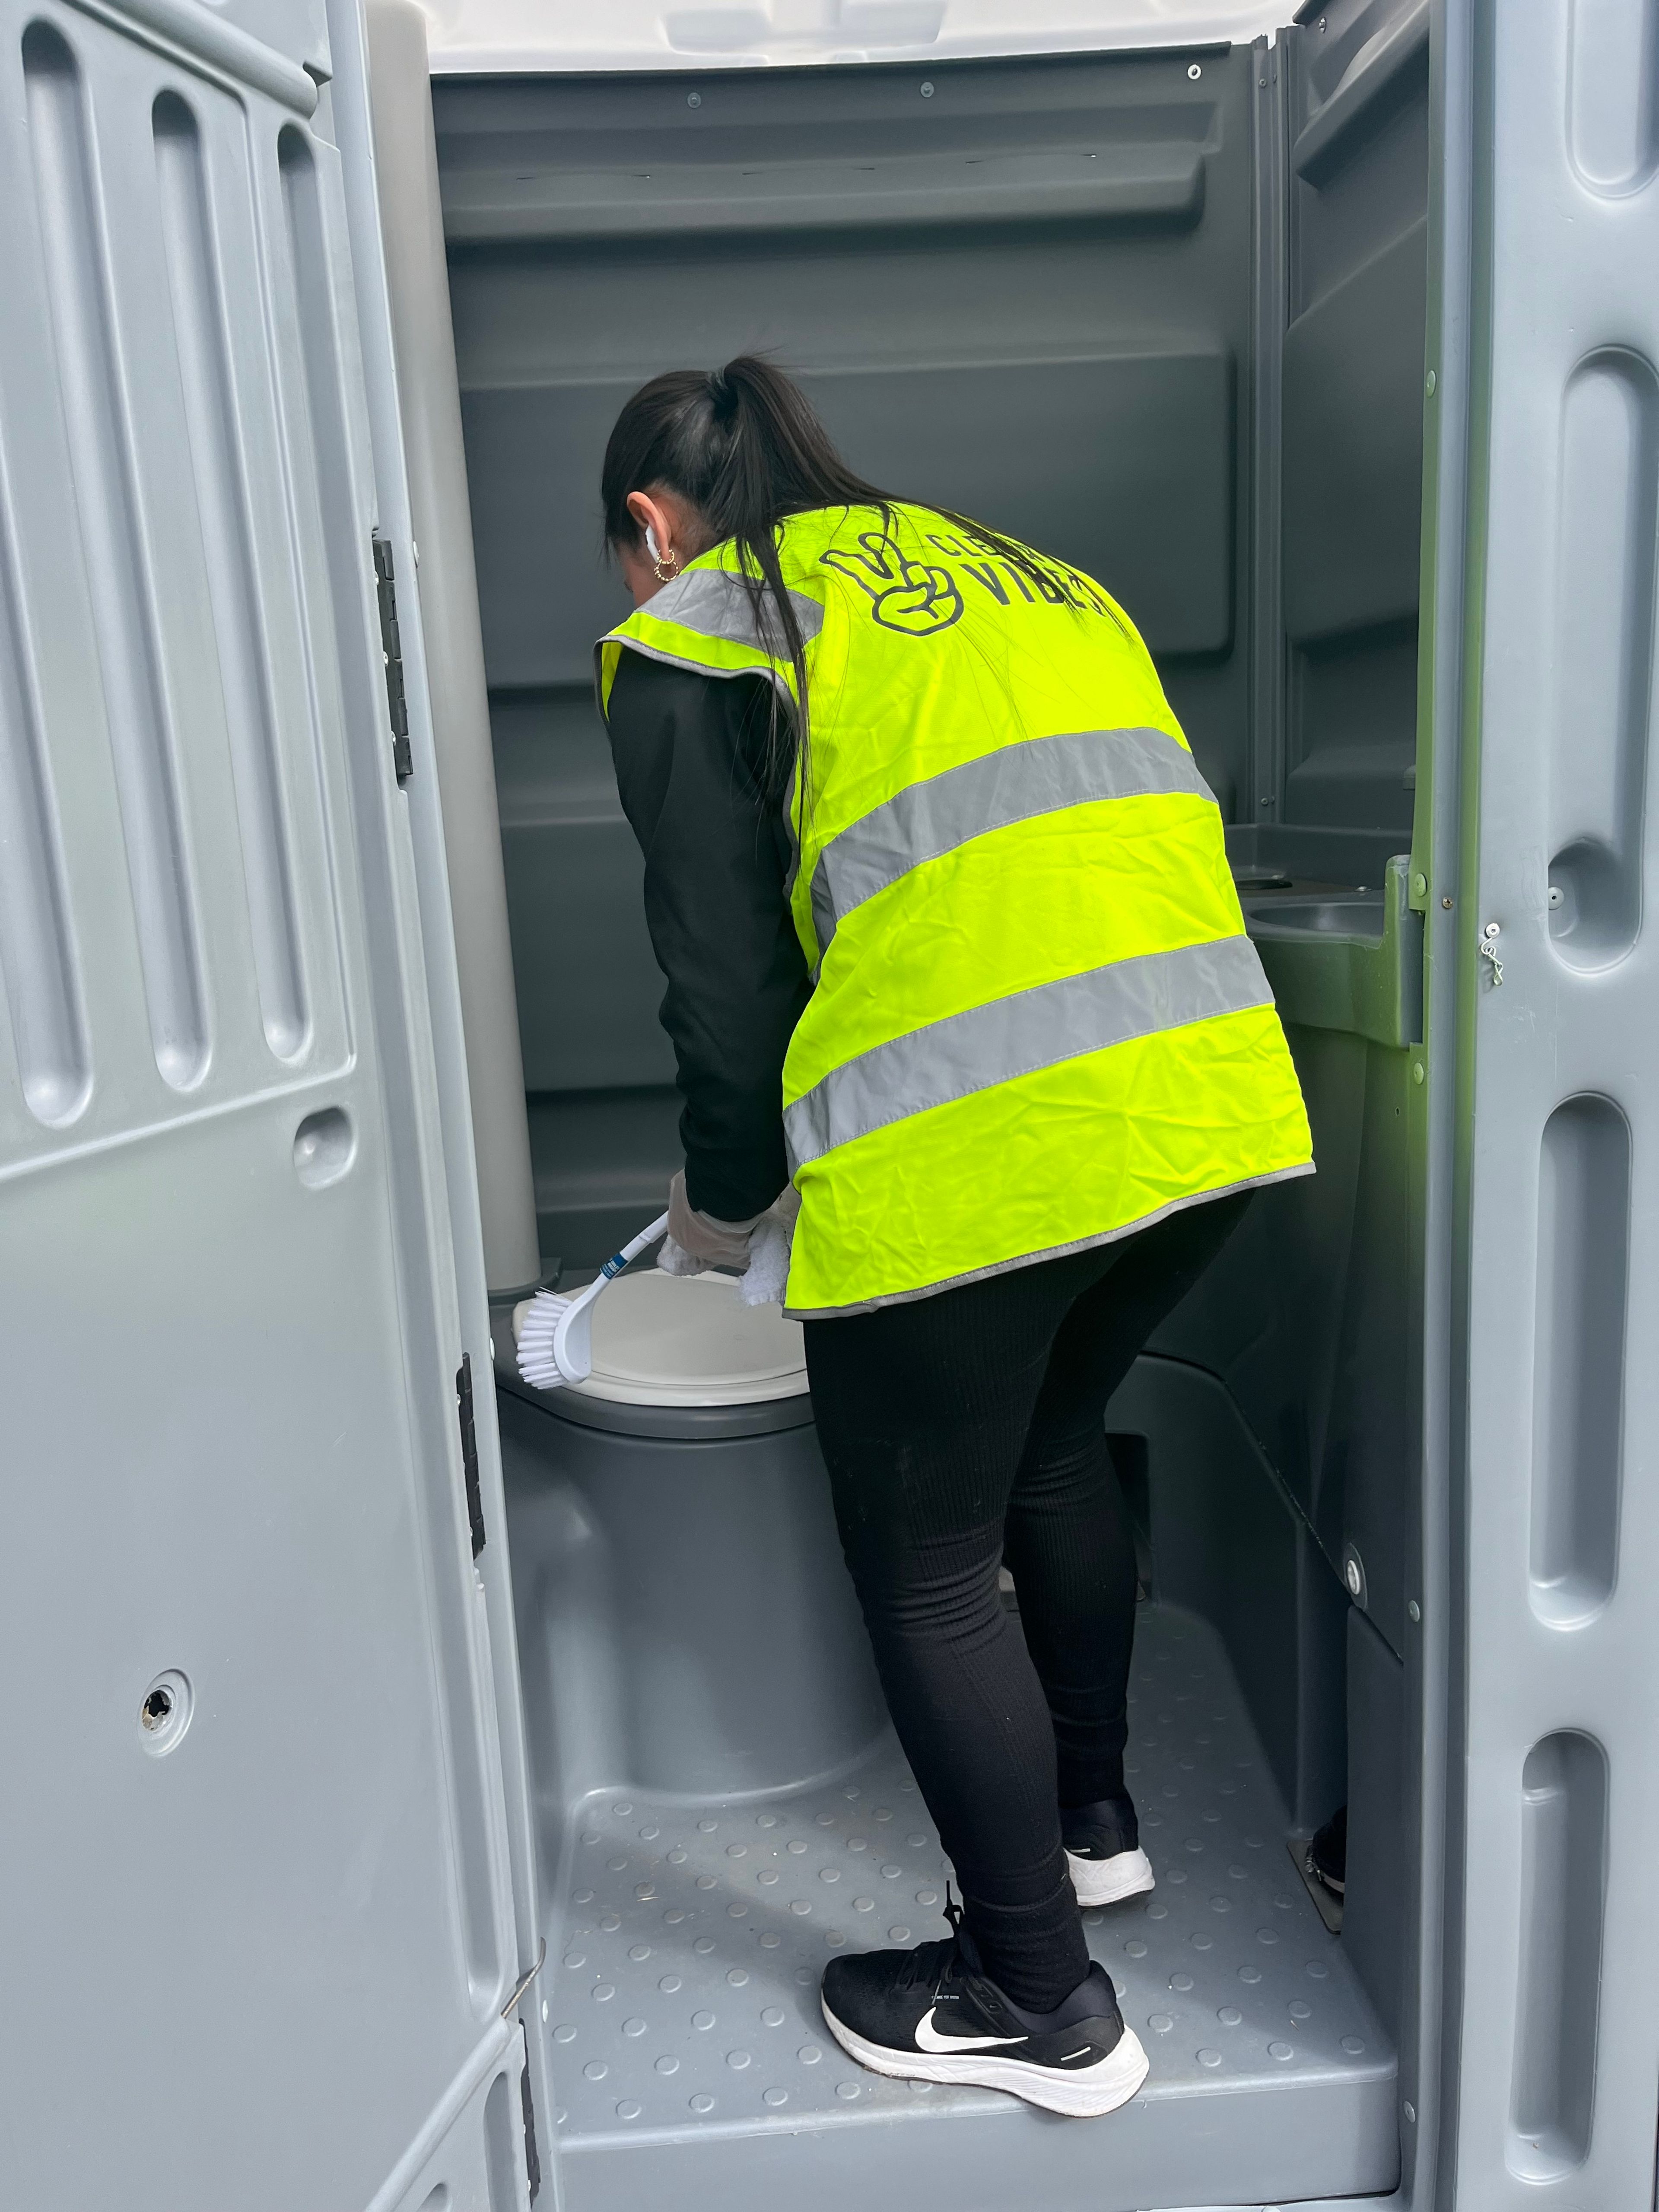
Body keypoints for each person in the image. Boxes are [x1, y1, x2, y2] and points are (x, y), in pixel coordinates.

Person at [594, 357, 1314, 2118]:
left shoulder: (705, 623)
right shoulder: (1028, 574)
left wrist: (713, 1205)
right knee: (1052, 1440)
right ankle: (1091, 1823)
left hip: (987, 1145)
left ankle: (1036, 1996)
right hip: (1208, 1111)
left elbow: (727, 984)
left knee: (924, 1561)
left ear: (650, 526)